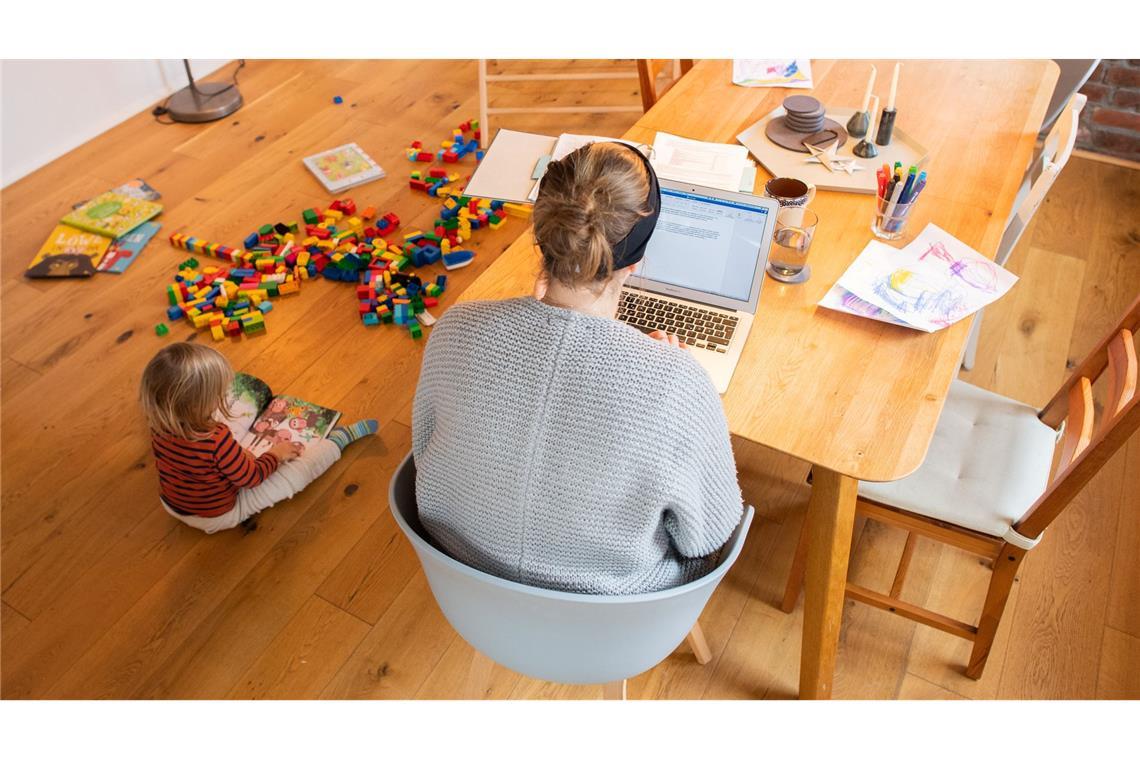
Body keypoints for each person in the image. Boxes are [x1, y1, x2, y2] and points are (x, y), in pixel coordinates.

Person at [413, 141, 743, 594]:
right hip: (613, 619)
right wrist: (669, 378)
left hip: (462, 580)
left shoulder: (455, 329)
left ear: (541, 236)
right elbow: (708, 536)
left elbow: (425, 447)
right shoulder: (677, 385)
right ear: (637, 259)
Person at [139, 343, 378, 534]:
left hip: (171, 505)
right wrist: (275, 455)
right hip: (218, 515)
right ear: (198, 404)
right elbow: (251, 478)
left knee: (234, 448)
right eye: (217, 394)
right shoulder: (215, 439)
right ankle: (338, 440)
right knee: (295, 476)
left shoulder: (157, 424)